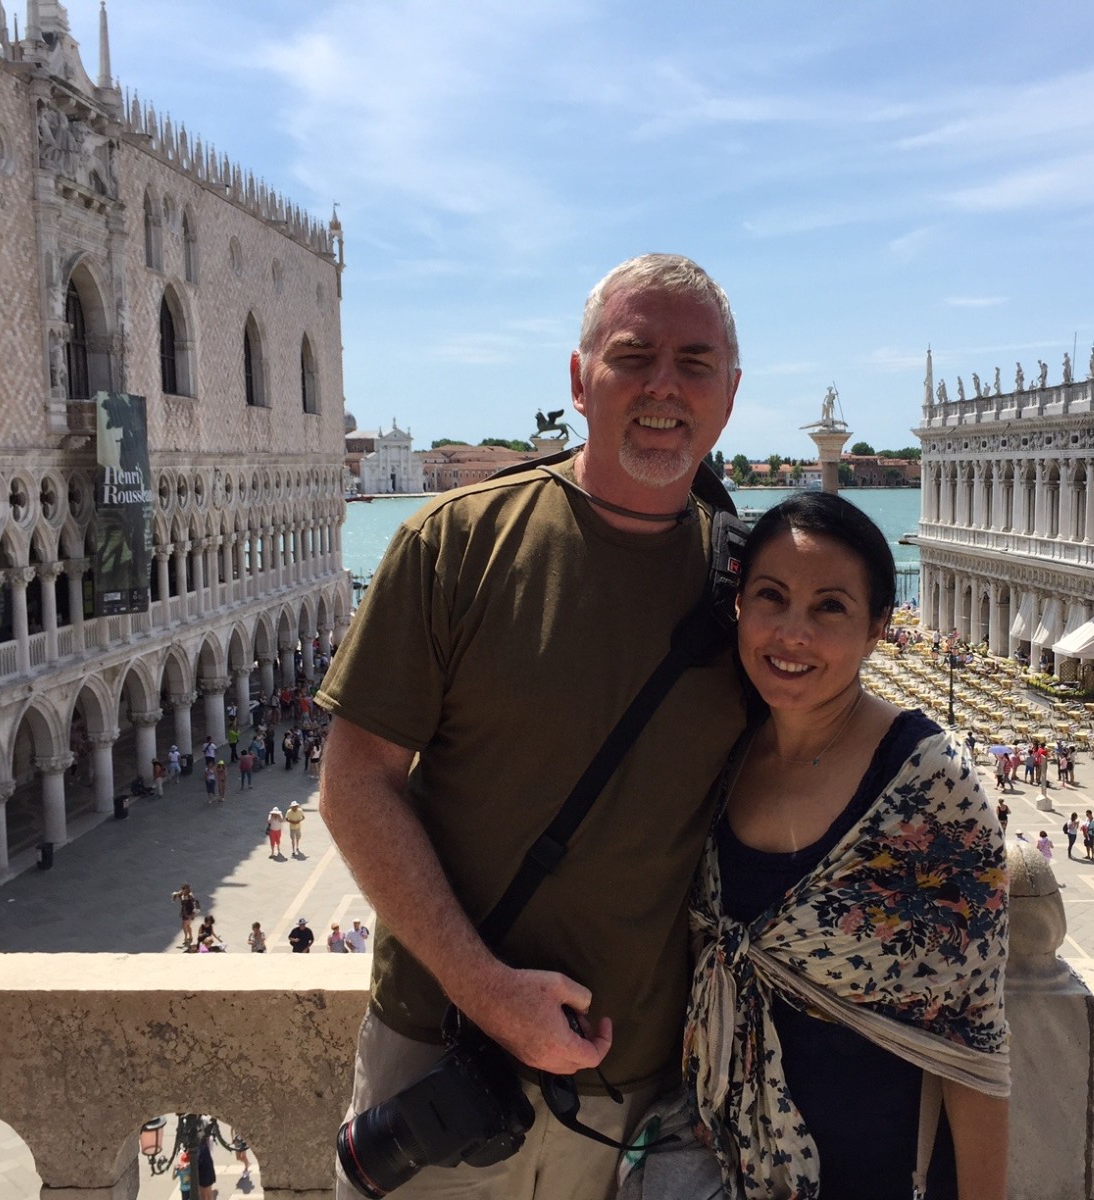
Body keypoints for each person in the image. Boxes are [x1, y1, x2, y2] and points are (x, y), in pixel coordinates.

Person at [316, 254, 746, 1198]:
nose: (665, 385)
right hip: (445, 1062)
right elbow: (355, 785)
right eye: (633, 356)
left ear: (730, 393)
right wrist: (486, 990)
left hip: (645, 1102)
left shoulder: (757, 589)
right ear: (579, 379)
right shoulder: (458, 540)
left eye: (696, 362)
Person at [686, 493, 1009, 1200]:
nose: (791, 633)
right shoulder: (724, 754)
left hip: (881, 1172)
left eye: (830, 607)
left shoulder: (930, 784)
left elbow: (974, 1043)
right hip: (726, 1161)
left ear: (876, 630)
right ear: (739, 606)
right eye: (770, 597)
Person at [172, 884, 200, 948]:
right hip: (185, 912)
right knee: (188, 925)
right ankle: (190, 937)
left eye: (184, 889)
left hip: (189, 913)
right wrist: (175, 895)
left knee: (184, 925)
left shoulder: (190, 895)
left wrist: (193, 914)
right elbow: (176, 895)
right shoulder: (182, 893)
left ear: (187, 889)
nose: (182, 890)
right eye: (182, 889)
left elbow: (195, 904)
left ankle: (186, 938)